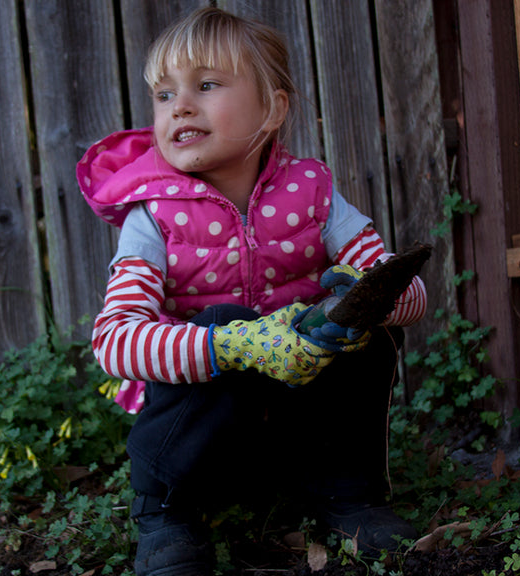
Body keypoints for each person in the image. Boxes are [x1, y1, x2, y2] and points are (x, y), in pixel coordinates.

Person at [77, 7, 427, 575]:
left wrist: (351, 306)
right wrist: (233, 343)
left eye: (207, 85)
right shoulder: (154, 217)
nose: (180, 106)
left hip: (294, 428)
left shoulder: (311, 191)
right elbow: (114, 341)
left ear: (273, 107)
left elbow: (406, 290)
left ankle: (348, 495)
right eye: (164, 95)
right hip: (196, 444)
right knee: (223, 317)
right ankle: (166, 515)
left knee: (369, 336)